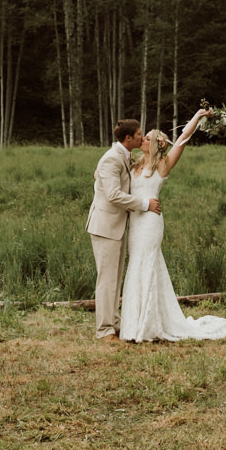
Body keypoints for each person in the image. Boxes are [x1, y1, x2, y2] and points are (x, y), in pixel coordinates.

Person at [120, 108, 226, 343]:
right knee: (136, 265)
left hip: (151, 224)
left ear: (156, 144)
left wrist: (199, 115)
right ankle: (133, 323)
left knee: (148, 263)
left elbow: (183, 138)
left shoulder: (162, 165)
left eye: (146, 137)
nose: (141, 139)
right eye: (142, 136)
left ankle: (148, 325)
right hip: (135, 223)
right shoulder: (134, 165)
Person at [87, 118, 161, 340]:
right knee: (107, 280)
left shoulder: (124, 156)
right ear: (128, 138)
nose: (142, 137)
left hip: (116, 227)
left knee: (115, 279)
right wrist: (145, 204)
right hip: (105, 227)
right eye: (139, 134)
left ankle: (113, 322)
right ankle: (104, 330)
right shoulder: (111, 159)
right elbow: (113, 195)